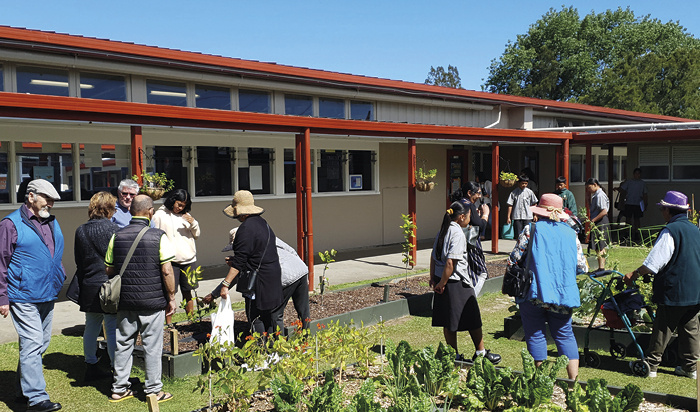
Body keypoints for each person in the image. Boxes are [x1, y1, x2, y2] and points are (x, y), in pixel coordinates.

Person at [507, 194, 588, 379]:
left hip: (535, 292)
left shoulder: (531, 229)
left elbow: (513, 260)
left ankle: (541, 380)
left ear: (540, 212)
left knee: (535, 334)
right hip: (563, 294)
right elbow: (581, 266)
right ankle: (572, 382)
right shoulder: (571, 234)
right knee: (565, 334)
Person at [0, 179, 65, 412]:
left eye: (53, 200)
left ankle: (21, 390)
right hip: (22, 294)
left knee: (41, 343)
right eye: (46, 198)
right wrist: (2, 297)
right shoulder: (10, 224)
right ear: (30, 196)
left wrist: (59, 275)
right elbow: (1, 262)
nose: (51, 203)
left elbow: (52, 254)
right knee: (32, 342)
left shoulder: (50, 221)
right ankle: (37, 398)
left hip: (46, 293)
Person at [105, 194, 176, 403]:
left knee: (123, 343)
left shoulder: (116, 236)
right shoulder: (158, 236)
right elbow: (167, 271)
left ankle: (119, 388)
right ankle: (153, 390)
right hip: (152, 302)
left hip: (125, 300)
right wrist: (171, 297)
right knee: (152, 346)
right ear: (150, 212)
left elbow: (109, 268)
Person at [624, 191, 700, 379]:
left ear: (668, 210)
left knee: (663, 328)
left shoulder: (670, 231)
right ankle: (691, 368)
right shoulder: (695, 230)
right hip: (695, 290)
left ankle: (651, 366)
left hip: (674, 289)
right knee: (691, 329)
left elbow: (653, 264)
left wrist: (634, 274)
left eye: (663, 209)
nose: (662, 212)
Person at [430, 201, 501, 364]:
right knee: (473, 318)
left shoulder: (443, 230)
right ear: (462, 217)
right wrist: (442, 282)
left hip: (444, 281)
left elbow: (433, 257)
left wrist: (434, 278)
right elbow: (450, 263)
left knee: (448, 320)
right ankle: (480, 353)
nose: (470, 218)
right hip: (457, 283)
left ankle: (452, 354)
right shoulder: (457, 233)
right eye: (470, 215)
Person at [205, 227, 310, 332]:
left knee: (275, 315)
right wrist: (304, 270)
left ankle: (277, 345)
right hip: (300, 270)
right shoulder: (268, 236)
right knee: (303, 310)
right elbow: (291, 250)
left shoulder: (247, 248)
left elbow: (238, 274)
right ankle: (306, 339)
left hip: (283, 277)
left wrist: (214, 294)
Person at [218, 190, 283, 335]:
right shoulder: (263, 223)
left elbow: (240, 261)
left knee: (255, 318)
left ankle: (260, 352)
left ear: (240, 212)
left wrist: (225, 284)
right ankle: (274, 353)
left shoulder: (245, 229)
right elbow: (259, 253)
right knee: (269, 318)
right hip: (272, 276)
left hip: (258, 281)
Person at [73, 192, 120, 380]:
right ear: (109, 209)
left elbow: (79, 261)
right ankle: (117, 370)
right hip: (110, 285)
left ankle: (90, 364)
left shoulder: (80, 230)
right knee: (111, 327)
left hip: (89, 284)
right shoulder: (115, 229)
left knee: (91, 326)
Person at [152, 189, 200, 326]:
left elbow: (197, 234)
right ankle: (168, 324)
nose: (180, 208)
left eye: (184, 205)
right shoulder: (160, 215)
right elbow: (154, 234)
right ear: (172, 200)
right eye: (179, 204)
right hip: (170, 261)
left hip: (188, 259)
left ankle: (191, 320)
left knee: (188, 291)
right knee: (169, 293)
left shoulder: (186, 215)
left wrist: (194, 223)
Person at [450, 182, 489, 295]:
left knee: (464, 272)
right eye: (478, 193)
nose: (480, 196)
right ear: (469, 193)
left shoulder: (457, 203)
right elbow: (480, 226)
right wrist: (485, 214)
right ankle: (471, 298)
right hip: (470, 245)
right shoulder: (468, 205)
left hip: (457, 244)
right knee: (481, 272)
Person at [614, 168, 648, 242]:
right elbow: (622, 189)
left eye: (639, 174)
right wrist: (617, 188)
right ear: (633, 174)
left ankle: (636, 233)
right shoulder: (629, 182)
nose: (637, 175)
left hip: (638, 203)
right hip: (629, 203)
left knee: (637, 219)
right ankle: (627, 233)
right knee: (628, 219)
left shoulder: (642, 183)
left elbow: (645, 194)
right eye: (636, 173)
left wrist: (645, 204)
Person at [586, 178, 610, 271]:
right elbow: (593, 209)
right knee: (598, 245)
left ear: (595, 184)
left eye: (589, 187)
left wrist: (593, 220)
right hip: (597, 220)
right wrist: (588, 200)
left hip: (601, 221)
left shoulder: (600, 195)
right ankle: (601, 267)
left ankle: (601, 267)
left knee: (600, 245)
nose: (588, 190)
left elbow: (604, 211)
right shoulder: (595, 195)